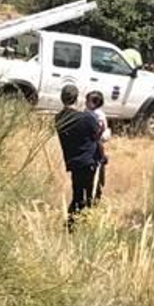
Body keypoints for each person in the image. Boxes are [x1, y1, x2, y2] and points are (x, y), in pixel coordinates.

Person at [54, 84, 100, 228]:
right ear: (77, 98)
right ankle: (75, 224)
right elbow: (97, 134)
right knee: (88, 196)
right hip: (88, 160)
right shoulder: (85, 118)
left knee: (78, 193)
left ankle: (73, 223)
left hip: (73, 161)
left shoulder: (59, 118)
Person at [85, 88, 112, 203]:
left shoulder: (98, 115)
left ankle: (95, 198)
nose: (86, 102)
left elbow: (102, 128)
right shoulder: (87, 111)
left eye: (89, 101)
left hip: (96, 141)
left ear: (96, 103)